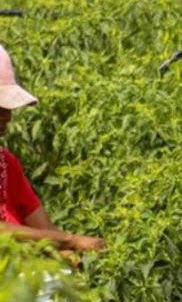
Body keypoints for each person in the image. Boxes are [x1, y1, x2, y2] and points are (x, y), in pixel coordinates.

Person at [0, 45, 104, 252]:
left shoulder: (7, 163)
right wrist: (69, 241)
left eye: (7, 108)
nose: (8, 116)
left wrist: (67, 252)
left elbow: (44, 228)